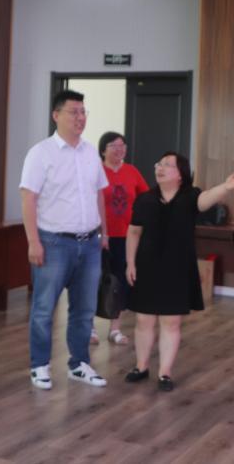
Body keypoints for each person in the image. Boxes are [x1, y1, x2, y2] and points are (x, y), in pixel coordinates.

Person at [124, 152, 234, 391]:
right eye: (159, 164)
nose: (160, 168)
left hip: (177, 267)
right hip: (147, 265)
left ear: (181, 174)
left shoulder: (190, 196)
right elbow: (134, 232)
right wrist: (130, 263)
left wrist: (226, 187)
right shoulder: (145, 199)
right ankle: (141, 366)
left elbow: (207, 199)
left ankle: (164, 373)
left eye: (167, 165)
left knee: (171, 321)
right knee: (143, 319)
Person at [20, 89, 109, 390]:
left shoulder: (90, 152)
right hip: (54, 243)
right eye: (74, 112)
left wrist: (104, 232)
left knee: (84, 309)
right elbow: (28, 199)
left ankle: (79, 364)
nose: (80, 117)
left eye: (83, 112)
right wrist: (33, 241)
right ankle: (40, 365)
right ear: (56, 115)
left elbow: (99, 194)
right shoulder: (40, 153)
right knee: (44, 308)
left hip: (90, 242)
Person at [91, 131, 149, 346]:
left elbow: (146, 197)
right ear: (103, 150)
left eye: (122, 145)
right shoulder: (96, 170)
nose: (120, 149)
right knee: (94, 280)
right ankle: (89, 328)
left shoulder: (132, 171)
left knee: (120, 283)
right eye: (114, 146)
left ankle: (115, 329)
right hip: (98, 236)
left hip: (126, 237)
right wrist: (100, 233)